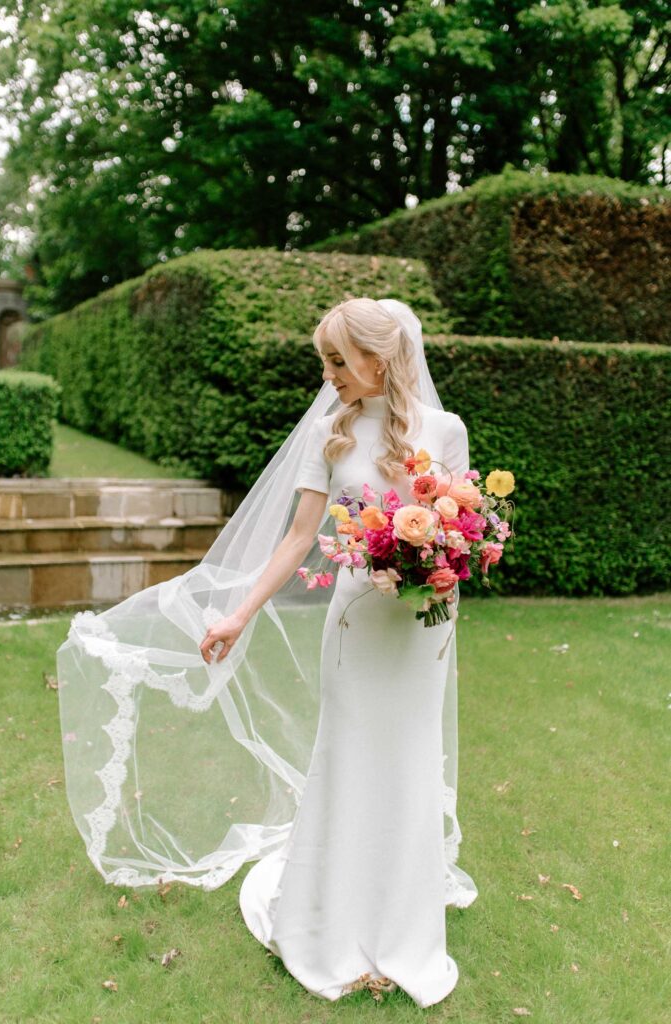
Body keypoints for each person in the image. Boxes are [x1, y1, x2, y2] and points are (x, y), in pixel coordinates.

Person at [56, 296, 477, 1009]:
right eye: (326, 362)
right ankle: (325, 921)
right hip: (353, 625)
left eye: (340, 361)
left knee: (408, 762)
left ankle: (403, 928)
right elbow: (296, 539)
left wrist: (437, 568)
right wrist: (238, 615)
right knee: (346, 757)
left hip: (419, 629)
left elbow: (460, 528)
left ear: (381, 356)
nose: (330, 374)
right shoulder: (328, 433)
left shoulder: (443, 430)